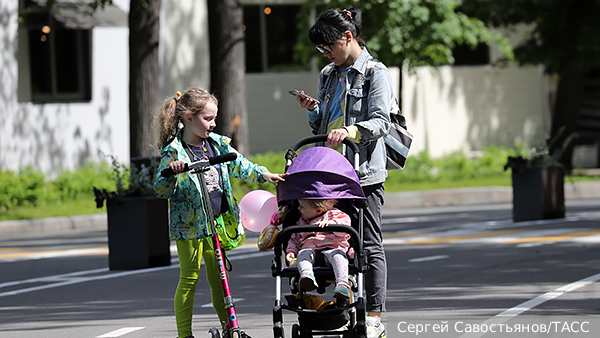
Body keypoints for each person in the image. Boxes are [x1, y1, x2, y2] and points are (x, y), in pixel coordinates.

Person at [295, 6, 399, 338]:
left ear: (348, 37)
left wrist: (352, 131)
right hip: (330, 173)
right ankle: (339, 305)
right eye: (321, 49)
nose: (326, 54)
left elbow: (382, 121)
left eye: (329, 47)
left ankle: (374, 315)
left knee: (368, 244)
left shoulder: (375, 73)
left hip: (364, 172)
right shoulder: (328, 74)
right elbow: (325, 121)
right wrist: (314, 112)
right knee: (329, 239)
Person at [153, 87, 287, 338]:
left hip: (217, 223)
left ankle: (230, 328)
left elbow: (240, 164)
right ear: (189, 118)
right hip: (190, 226)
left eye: (215, 118)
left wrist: (264, 174)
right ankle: (184, 334)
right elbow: (160, 189)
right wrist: (172, 172)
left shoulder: (217, 145)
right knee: (189, 278)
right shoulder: (175, 150)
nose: (213, 124)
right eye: (208, 118)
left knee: (219, 279)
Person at [285, 199, 352, 299]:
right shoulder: (301, 223)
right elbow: (294, 239)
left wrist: (333, 223)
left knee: (339, 257)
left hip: (332, 248)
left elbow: (346, 226)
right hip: (310, 252)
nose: (298, 209)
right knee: (302, 254)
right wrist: (291, 251)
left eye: (302, 207)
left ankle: (342, 284)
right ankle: (307, 276)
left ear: (318, 210)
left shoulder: (335, 215)